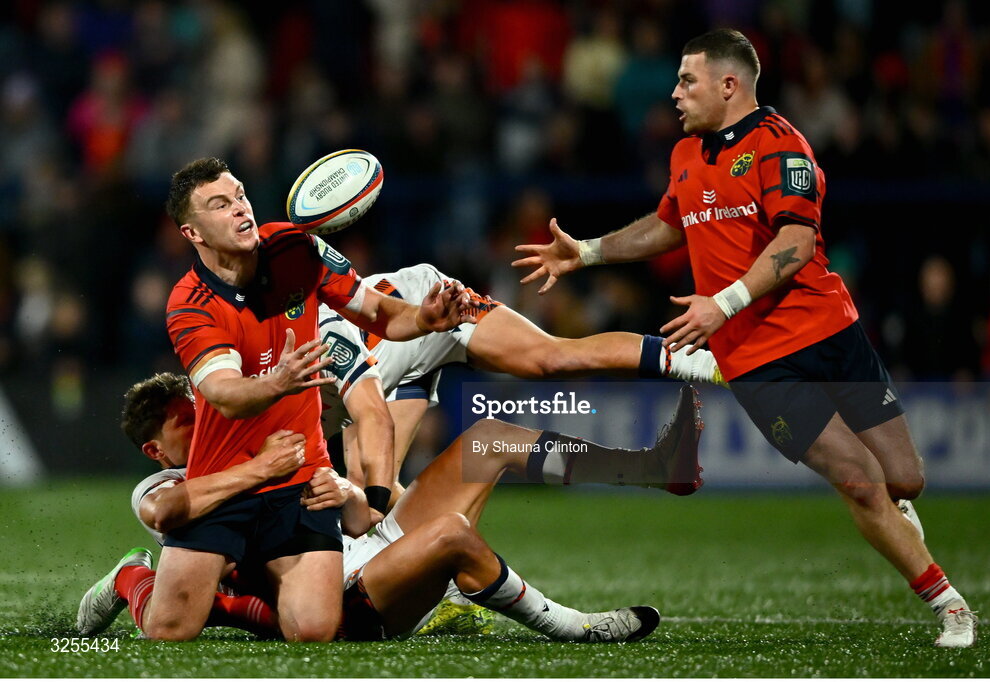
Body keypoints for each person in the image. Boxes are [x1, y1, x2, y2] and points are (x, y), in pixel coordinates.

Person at [512, 28, 976, 648]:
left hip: (828, 332)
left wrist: (721, 304)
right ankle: (949, 604)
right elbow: (667, 224)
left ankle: (897, 513)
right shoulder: (685, 156)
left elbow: (798, 242)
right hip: (755, 363)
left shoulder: (780, 146)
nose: (674, 94)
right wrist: (590, 251)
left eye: (687, 81)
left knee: (904, 478)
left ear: (729, 85)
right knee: (860, 480)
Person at [79, 372, 702, 642]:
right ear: (155, 447)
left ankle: (650, 466)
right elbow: (168, 514)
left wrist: (346, 491)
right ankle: (574, 626)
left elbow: (360, 520)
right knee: (453, 535)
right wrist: (262, 470)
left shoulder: (262, 441)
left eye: (204, 409)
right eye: (188, 423)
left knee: (490, 440)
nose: (208, 422)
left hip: (363, 547)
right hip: (352, 596)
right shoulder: (163, 489)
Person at [151, 157, 472, 642]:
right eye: (220, 205)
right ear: (192, 233)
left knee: (315, 631)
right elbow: (223, 394)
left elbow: (380, 313)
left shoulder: (296, 250)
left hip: (302, 478)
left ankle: (247, 592)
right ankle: (134, 579)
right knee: (168, 634)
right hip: (224, 480)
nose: (240, 210)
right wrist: (279, 381)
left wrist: (424, 319)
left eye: (239, 195)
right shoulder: (189, 301)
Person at [318, 262, 721, 499]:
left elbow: (371, 423)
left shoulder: (303, 385)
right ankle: (649, 468)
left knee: (551, 358)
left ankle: (706, 365)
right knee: (376, 490)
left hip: (423, 301)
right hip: (383, 362)